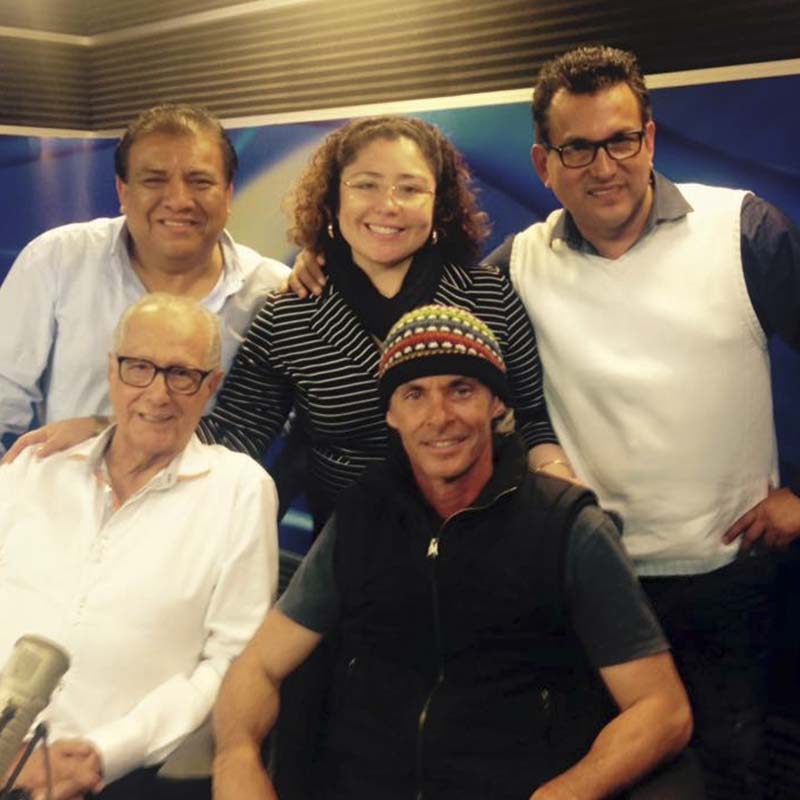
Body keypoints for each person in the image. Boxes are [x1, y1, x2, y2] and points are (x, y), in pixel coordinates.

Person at [479, 45, 800, 798]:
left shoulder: (742, 231)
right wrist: (322, 263)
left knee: (729, 776)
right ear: (542, 163)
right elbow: (436, 356)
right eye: (578, 148)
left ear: (650, 138)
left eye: (621, 139)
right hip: (590, 592)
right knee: (603, 777)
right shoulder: (517, 267)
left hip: (729, 582)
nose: (604, 167)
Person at [212, 304, 692, 800]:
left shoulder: (568, 527)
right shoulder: (361, 517)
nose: (439, 417)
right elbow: (259, 666)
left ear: (496, 403)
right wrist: (236, 757)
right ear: (391, 413)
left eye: (461, 390)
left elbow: (662, 710)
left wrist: (563, 794)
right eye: (414, 394)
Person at [197, 115, 573, 527]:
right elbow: (234, 436)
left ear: (439, 202)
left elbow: (533, 418)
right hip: (349, 541)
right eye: (366, 185)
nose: (388, 205)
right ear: (334, 197)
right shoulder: (291, 313)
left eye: (410, 189)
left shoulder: (488, 295)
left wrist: (557, 485)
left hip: (483, 532)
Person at [0, 293, 279, 800]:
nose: (157, 393)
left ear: (211, 386)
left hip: (118, 778)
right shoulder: (33, 468)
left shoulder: (239, 489)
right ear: (112, 370)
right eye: (139, 368)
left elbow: (230, 661)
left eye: (181, 374)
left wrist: (104, 753)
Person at [0, 103, 288, 454]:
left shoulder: (273, 292)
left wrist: (101, 430)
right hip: (61, 485)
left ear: (227, 194)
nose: (179, 200)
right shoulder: (58, 259)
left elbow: (277, 426)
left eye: (200, 181)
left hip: (209, 489)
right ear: (123, 192)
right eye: (154, 180)